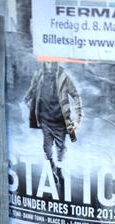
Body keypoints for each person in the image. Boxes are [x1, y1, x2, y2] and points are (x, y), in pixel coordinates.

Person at [24, 61, 82, 192]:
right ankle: (52, 168)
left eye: (51, 61)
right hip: (45, 119)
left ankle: (59, 170)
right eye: (47, 61)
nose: (49, 64)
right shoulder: (39, 75)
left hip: (60, 120)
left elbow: (75, 95)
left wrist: (79, 117)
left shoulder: (63, 76)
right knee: (47, 147)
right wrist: (31, 107)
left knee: (60, 148)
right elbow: (32, 92)